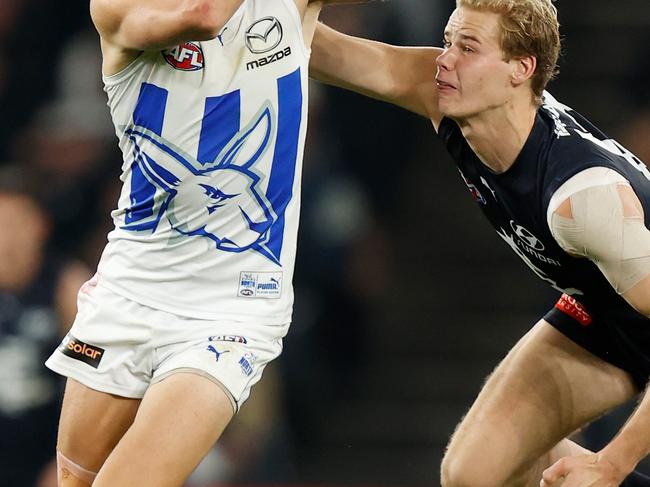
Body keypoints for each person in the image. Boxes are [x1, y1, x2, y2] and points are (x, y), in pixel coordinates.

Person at [309, 1, 650, 486]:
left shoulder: (582, 197)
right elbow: (317, 51)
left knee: (602, 472)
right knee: (471, 473)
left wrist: (612, 464)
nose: (445, 59)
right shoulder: (444, 93)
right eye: (448, 40)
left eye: (467, 47)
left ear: (521, 69)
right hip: (602, 311)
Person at [44, 1, 362, 486]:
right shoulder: (117, 6)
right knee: (73, 479)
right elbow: (205, 15)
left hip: (230, 314)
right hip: (128, 291)